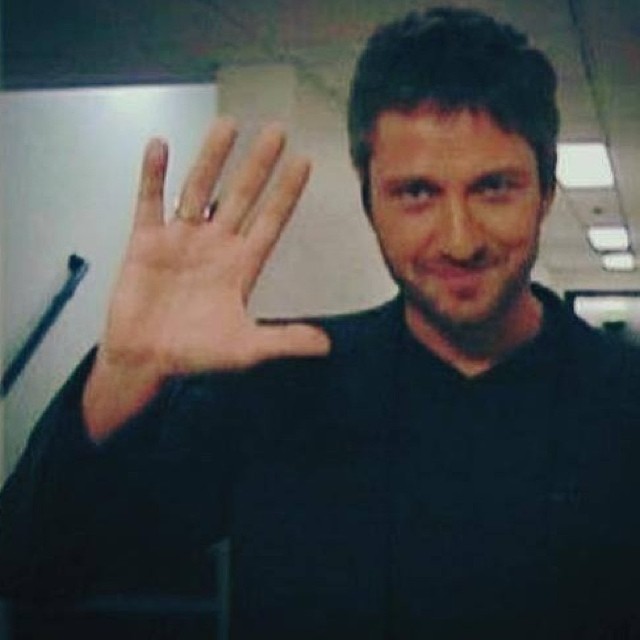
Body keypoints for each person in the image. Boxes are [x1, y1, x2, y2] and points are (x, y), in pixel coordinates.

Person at [1, 6, 640, 638]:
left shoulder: (625, 398)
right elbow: (36, 566)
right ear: (369, 202)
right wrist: (123, 375)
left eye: (493, 187)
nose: (459, 239)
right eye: (416, 193)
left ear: (545, 193)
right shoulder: (284, 383)